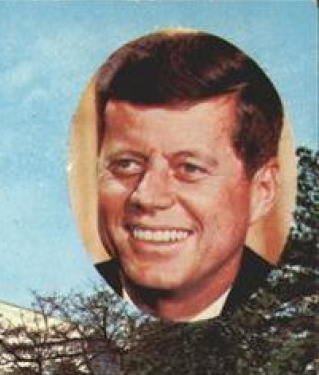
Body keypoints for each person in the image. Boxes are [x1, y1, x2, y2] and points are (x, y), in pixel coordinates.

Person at [94, 31, 283, 321]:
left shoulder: (280, 304)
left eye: (189, 169)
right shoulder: (89, 302)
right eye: (127, 164)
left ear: (262, 191)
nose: (147, 196)